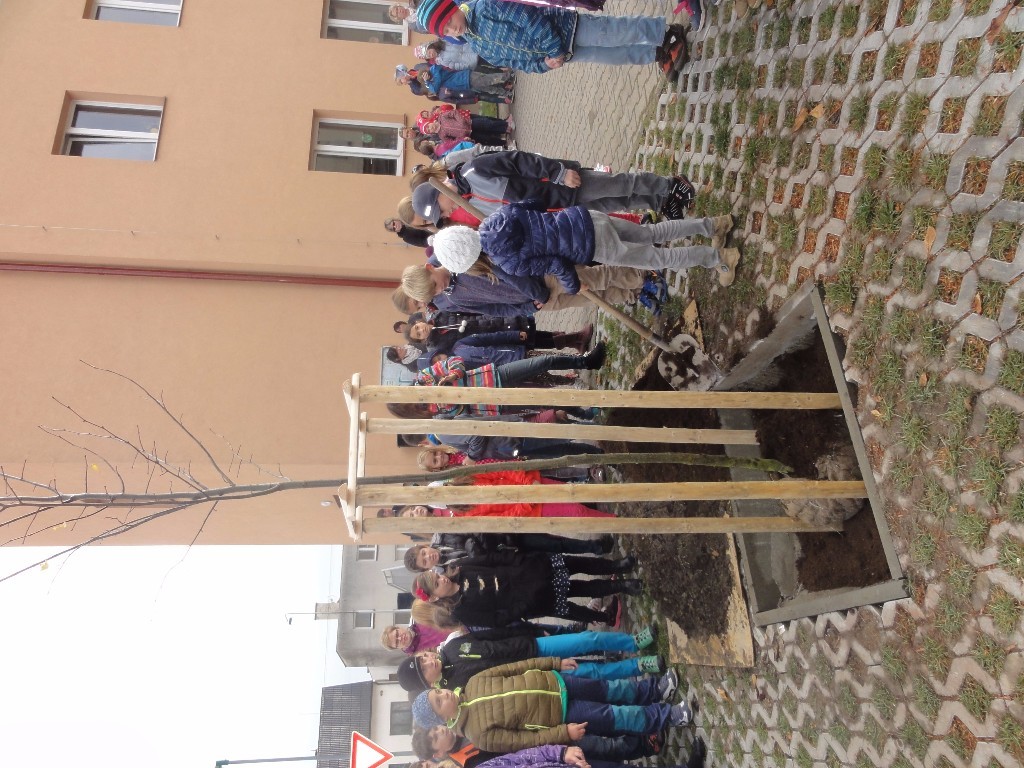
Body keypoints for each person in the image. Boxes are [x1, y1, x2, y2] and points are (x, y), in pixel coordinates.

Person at [410, 658, 692, 751]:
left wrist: (553, 663)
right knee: (616, 716)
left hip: (556, 681)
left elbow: (515, 667)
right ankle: (669, 716)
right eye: (439, 703)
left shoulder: (473, 682)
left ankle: (656, 689)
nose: (445, 695)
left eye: (439, 693)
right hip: (562, 715)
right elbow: (525, 741)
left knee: (611, 688)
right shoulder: (478, 735)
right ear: (441, 719)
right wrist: (563, 733)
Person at [431, 208, 743, 289]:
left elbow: (556, 264)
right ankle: (714, 224)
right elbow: (533, 204)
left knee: (656, 257)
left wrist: (572, 285)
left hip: (592, 245)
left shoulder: (508, 263)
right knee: (650, 232)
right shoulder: (495, 219)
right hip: (583, 218)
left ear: (469, 262)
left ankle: (719, 257)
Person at [410, 151, 695, 224]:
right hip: (561, 207)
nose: (446, 214)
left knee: (619, 184)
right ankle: (659, 202)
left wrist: (558, 173)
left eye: (441, 210)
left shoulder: (474, 170)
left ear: (440, 191)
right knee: (614, 203)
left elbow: (520, 161)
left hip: (565, 185)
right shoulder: (472, 204)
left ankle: (669, 185)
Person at [415, 0, 688, 74]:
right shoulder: (475, 43)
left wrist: (553, 48)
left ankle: (664, 34)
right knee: (612, 55)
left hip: (566, 28)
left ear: (452, 7)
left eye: (450, 22)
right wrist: (544, 65)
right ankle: (655, 53)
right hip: (560, 54)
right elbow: (512, 62)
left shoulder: (485, 7)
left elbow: (530, 19)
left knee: (614, 31)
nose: (452, 30)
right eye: (446, 31)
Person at [396, 625, 668, 692]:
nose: (428, 662)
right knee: (591, 673)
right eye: (423, 669)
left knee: (587, 640)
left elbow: (495, 633)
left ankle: (633, 642)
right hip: (535, 674)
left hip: (532, 646)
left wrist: (531, 630)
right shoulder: (454, 689)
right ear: (427, 683)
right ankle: (637, 666)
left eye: (423, 659)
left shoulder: (453, 643)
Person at [413, 550, 639, 627]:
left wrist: (517, 559)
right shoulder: (461, 610)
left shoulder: (459, 568)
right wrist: (521, 608)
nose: (442, 579)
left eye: (437, 576)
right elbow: (495, 619)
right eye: (437, 584)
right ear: (434, 598)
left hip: (530, 569)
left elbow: (491, 559)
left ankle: (617, 566)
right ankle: (623, 586)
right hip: (531, 599)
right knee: (580, 590)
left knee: (578, 564)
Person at [381, 622, 452, 655]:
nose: (400, 638)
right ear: (398, 648)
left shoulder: (420, 620)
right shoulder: (419, 656)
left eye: (397, 634)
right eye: (397, 642)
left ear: (398, 627)